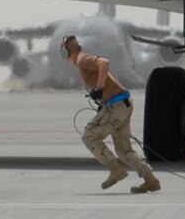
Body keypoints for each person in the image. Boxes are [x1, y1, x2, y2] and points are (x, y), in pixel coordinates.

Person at [61, 34, 161, 195]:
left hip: (117, 105)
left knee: (89, 136)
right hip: (122, 103)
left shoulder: (82, 59)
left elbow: (104, 63)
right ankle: (151, 180)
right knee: (123, 149)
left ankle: (115, 170)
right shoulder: (82, 60)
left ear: (66, 51)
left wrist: (99, 88)